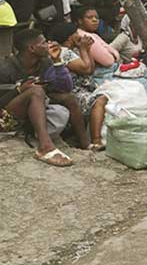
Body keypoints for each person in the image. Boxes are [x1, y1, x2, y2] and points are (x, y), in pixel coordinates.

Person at [0, 29, 90, 166]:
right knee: (36, 91)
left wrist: (57, 62)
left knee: (69, 98)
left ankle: (85, 144)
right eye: (43, 43)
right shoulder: (6, 67)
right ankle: (45, 146)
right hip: (7, 115)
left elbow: (65, 88)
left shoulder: (44, 62)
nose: (48, 45)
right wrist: (18, 90)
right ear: (32, 48)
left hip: (36, 105)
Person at [48, 23, 109, 152]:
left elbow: (91, 69)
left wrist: (87, 49)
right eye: (76, 33)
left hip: (84, 87)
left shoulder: (73, 50)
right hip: (73, 90)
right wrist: (83, 49)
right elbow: (86, 69)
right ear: (70, 37)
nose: (80, 36)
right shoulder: (64, 52)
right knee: (100, 100)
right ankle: (96, 140)